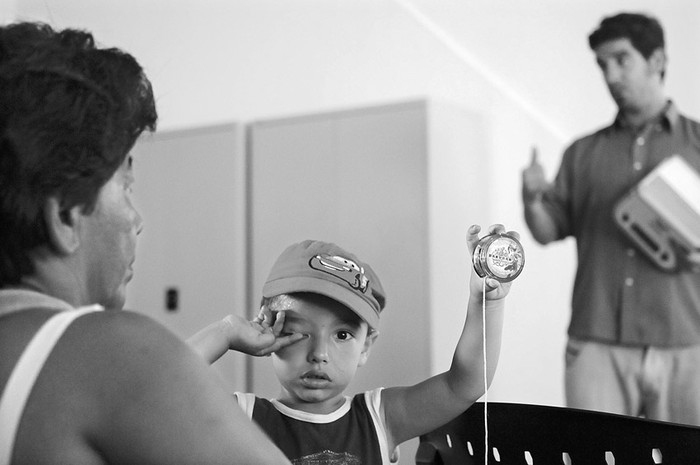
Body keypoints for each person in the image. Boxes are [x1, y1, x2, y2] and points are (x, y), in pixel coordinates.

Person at [0, 22, 292, 464]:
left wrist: (226, 331)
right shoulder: (106, 352)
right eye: (127, 187)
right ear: (65, 215)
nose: (137, 221)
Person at [188, 223, 515, 463]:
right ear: (266, 326)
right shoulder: (242, 419)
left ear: (366, 346)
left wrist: (486, 303)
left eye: (342, 335)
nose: (319, 355)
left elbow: (465, 384)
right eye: (300, 332)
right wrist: (227, 331)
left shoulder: (379, 416)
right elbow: (154, 387)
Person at [522, 12, 700, 424]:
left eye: (622, 60)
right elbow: (549, 230)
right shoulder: (581, 153)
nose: (611, 75)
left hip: (686, 343)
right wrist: (532, 201)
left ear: (656, 61)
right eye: (603, 65)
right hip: (595, 344)